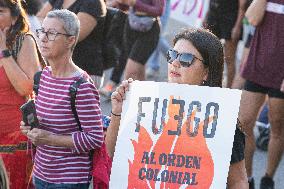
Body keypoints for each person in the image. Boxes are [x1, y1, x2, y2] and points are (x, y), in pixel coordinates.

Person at [106, 28, 249, 188]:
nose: (174, 63)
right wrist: (117, 112)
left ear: (206, 73)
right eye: (172, 55)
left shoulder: (222, 121)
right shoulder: (147, 105)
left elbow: (238, 181)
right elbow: (112, 154)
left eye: (186, 59)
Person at [20, 9, 104, 188]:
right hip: (40, 173)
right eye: (42, 31)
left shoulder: (81, 85)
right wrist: (30, 128)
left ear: (70, 40)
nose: (43, 38)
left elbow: (95, 138)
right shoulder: (43, 76)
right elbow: (45, 125)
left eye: (51, 33)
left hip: (69, 180)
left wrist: (50, 138)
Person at [238, 0, 284, 188]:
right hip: (257, 66)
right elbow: (251, 18)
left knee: (277, 127)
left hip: (281, 72)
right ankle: (247, 178)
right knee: (243, 122)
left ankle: (268, 179)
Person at [0, 0, 42, 188]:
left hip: (15, 136)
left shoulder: (23, 41)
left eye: (0, 11)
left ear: (15, 16)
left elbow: (27, 88)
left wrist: (3, 51)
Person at [37, 0, 107, 88]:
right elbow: (36, 21)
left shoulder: (93, 2)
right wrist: (52, 30)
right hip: (57, 70)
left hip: (84, 70)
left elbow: (72, 36)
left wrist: (48, 26)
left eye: (51, 32)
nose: (44, 37)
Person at [203, 0, 246, 88]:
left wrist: (237, 26)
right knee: (208, 54)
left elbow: (243, 5)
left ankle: (228, 91)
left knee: (229, 58)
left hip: (230, 18)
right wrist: (207, 15)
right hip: (214, 15)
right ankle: (207, 85)